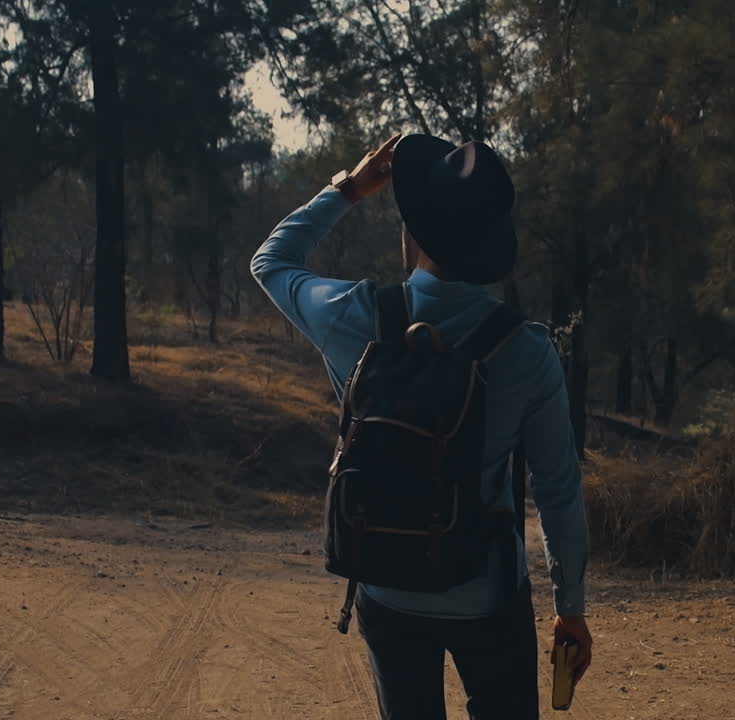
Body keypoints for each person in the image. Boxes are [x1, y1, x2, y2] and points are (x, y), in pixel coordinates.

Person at [251, 132, 592, 720]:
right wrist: (571, 608)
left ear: (413, 230)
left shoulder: (356, 317)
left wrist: (347, 190)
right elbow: (558, 489)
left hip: (386, 585)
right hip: (488, 593)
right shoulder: (526, 350)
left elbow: (270, 262)